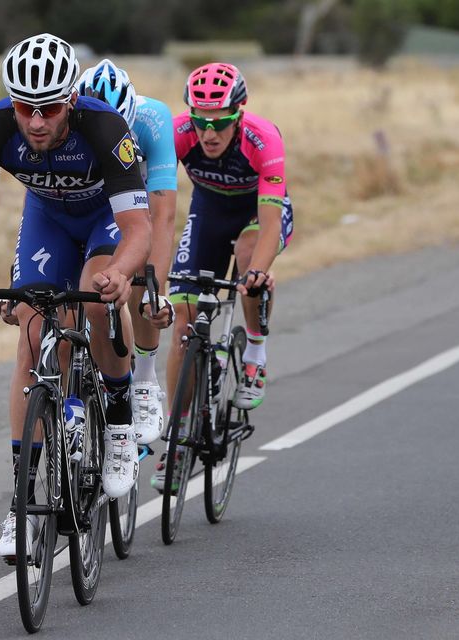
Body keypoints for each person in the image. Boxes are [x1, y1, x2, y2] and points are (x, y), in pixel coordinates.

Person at [0, 34, 152, 558]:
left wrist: (124, 272)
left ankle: (120, 421)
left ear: (72, 100)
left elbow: (139, 227)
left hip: (106, 219)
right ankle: (20, 501)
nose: (36, 121)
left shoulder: (106, 128)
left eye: (50, 108)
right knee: (32, 333)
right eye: (24, 107)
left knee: (93, 297)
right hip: (49, 220)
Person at [153, 62, 294, 491]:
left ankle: (254, 354)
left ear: (240, 112)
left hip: (258, 213)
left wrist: (257, 273)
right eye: (201, 122)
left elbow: (270, 224)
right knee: (182, 323)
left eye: (220, 122)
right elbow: (154, 205)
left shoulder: (262, 138)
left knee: (249, 260)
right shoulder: (177, 134)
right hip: (209, 211)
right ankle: (177, 441)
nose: (209, 134)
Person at [75, 59, 178, 447]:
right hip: (93, 201)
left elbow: (163, 216)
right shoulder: (68, 120)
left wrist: (157, 289)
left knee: (141, 281)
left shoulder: (153, 120)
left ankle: (146, 378)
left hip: (140, 201)